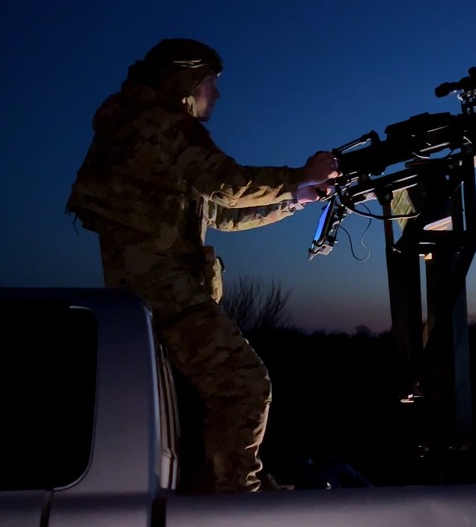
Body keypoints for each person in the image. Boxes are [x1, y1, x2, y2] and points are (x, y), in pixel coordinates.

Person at [66, 38, 338, 493]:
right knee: (242, 383)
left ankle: (223, 484)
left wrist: (295, 198)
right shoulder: (161, 122)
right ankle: (235, 497)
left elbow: (222, 213)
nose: (217, 93)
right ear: (187, 80)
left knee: (213, 396)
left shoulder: (141, 127)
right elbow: (228, 185)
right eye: (211, 82)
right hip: (162, 286)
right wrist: (299, 175)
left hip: (151, 289)